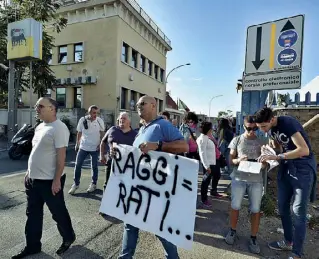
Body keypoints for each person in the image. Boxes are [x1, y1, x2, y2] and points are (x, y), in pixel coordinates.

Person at [118, 95, 188, 259]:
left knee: (159, 228)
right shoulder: (141, 129)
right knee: (130, 224)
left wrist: (158, 145)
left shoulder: (163, 125)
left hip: (155, 189)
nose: (138, 106)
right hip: (137, 186)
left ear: (153, 106)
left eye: (142, 103)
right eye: (137, 104)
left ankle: (173, 257)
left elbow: (183, 145)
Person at [12, 98, 75, 259]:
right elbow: (36, 152)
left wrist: (56, 180)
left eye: (40, 106)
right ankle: (32, 246)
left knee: (58, 212)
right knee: (32, 214)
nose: (36, 108)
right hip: (33, 179)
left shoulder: (59, 128)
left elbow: (61, 158)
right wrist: (28, 172)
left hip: (50, 181)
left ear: (52, 108)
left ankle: (68, 237)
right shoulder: (40, 126)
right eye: (36, 105)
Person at [255, 107, 317, 259]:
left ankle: (297, 253)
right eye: (259, 128)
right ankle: (288, 241)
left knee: (298, 213)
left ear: (272, 119)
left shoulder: (288, 123)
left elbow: (304, 150)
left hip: (302, 169)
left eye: (264, 126)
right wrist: (269, 150)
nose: (263, 130)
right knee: (282, 207)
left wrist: (278, 156)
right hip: (286, 168)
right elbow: (280, 147)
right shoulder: (270, 129)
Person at [224, 115, 266, 255]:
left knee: (255, 209)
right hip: (239, 178)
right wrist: (238, 160)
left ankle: (253, 238)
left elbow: (266, 163)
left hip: (256, 180)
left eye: (255, 128)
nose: (252, 131)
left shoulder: (262, 142)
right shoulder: (237, 140)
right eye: (249, 128)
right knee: (235, 206)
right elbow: (230, 160)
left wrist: (263, 164)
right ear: (243, 126)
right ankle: (232, 231)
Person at [69, 105, 105, 194]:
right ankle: (76, 184)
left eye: (96, 113)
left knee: (94, 167)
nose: (95, 115)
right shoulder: (82, 120)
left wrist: (101, 144)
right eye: (93, 113)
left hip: (95, 148)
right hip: (83, 147)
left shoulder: (99, 121)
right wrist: (77, 144)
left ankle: (93, 184)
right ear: (89, 113)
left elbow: (102, 133)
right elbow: (79, 132)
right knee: (78, 165)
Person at [100, 112, 137, 191]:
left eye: (124, 118)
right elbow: (103, 142)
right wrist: (101, 155)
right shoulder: (112, 129)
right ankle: (105, 203)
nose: (122, 120)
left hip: (127, 166)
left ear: (129, 122)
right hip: (111, 163)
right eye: (120, 118)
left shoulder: (135, 135)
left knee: (124, 186)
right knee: (107, 185)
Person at [197, 121, 218, 208]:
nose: (212, 129)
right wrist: (206, 166)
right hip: (208, 164)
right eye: (211, 128)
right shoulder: (203, 138)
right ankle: (203, 199)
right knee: (205, 182)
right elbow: (202, 153)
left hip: (211, 163)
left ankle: (205, 198)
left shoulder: (206, 137)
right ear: (208, 129)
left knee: (207, 181)